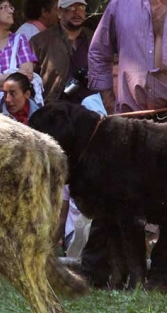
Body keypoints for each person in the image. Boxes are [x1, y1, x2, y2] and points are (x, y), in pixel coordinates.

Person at [88, 0, 167, 290]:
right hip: (130, 120)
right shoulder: (122, 5)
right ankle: (95, 271)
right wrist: (107, 99)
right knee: (114, 197)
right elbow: (98, 52)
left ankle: (160, 276)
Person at [29, 0, 94, 104]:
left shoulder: (95, 38)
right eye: (70, 8)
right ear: (59, 13)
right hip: (56, 109)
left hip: (92, 108)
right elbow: (30, 79)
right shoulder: (40, 41)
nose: (76, 12)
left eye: (81, 7)